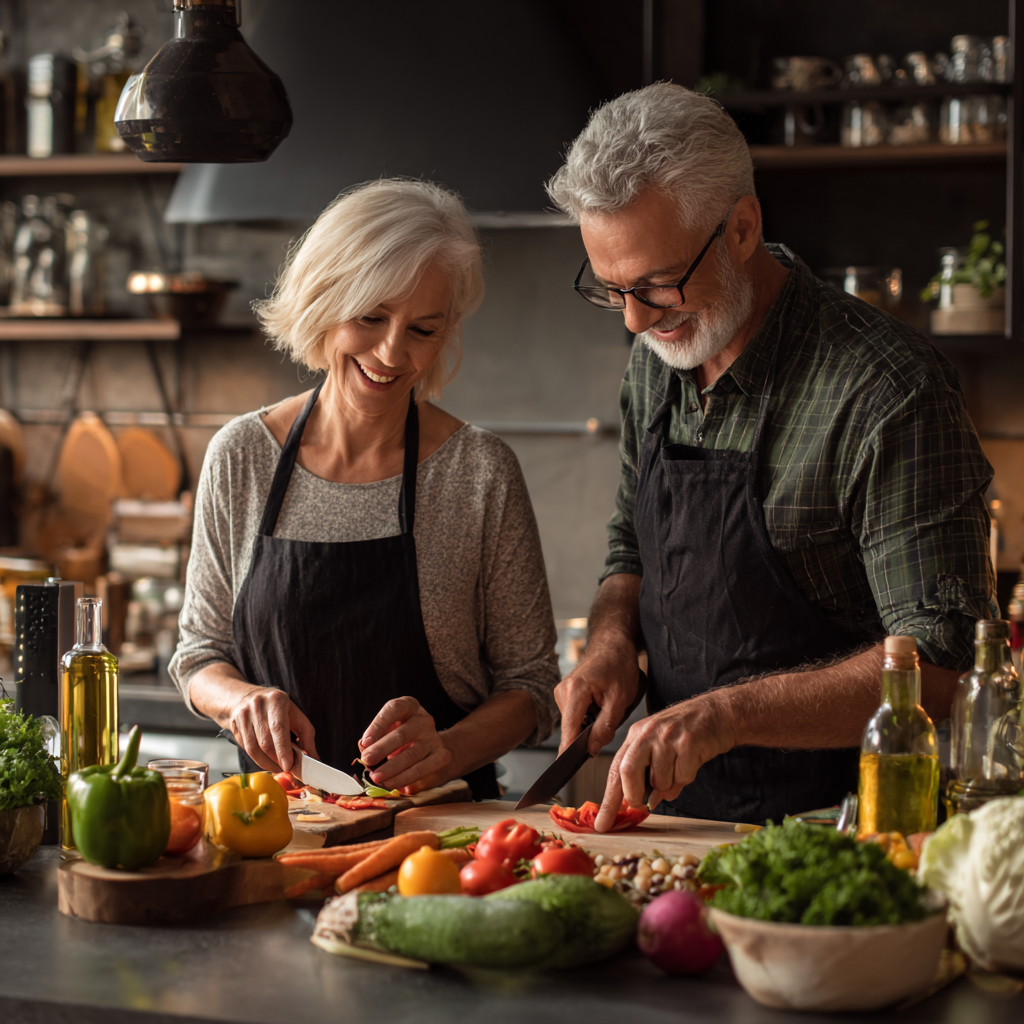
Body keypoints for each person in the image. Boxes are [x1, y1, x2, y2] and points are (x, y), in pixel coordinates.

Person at [547, 84, 994, 830]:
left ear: (743, 228)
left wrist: (724, 717)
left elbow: (943, 668)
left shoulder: (886, 391)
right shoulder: (655, 361)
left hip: (848, 832)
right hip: (677, 825)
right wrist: (611, 641)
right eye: (612, 288)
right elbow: (630, 543)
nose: (633, 319)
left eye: (656, 285)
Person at [170, 179, 559, 798]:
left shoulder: (479, 472)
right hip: (278, 828)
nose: (391, 352)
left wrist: (449, 749)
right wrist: (241, 700)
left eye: (423, 330)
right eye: (371, 317)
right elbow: (198, 656)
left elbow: (534, 686)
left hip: (441, 840)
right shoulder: (241, 457)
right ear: (324, 302)